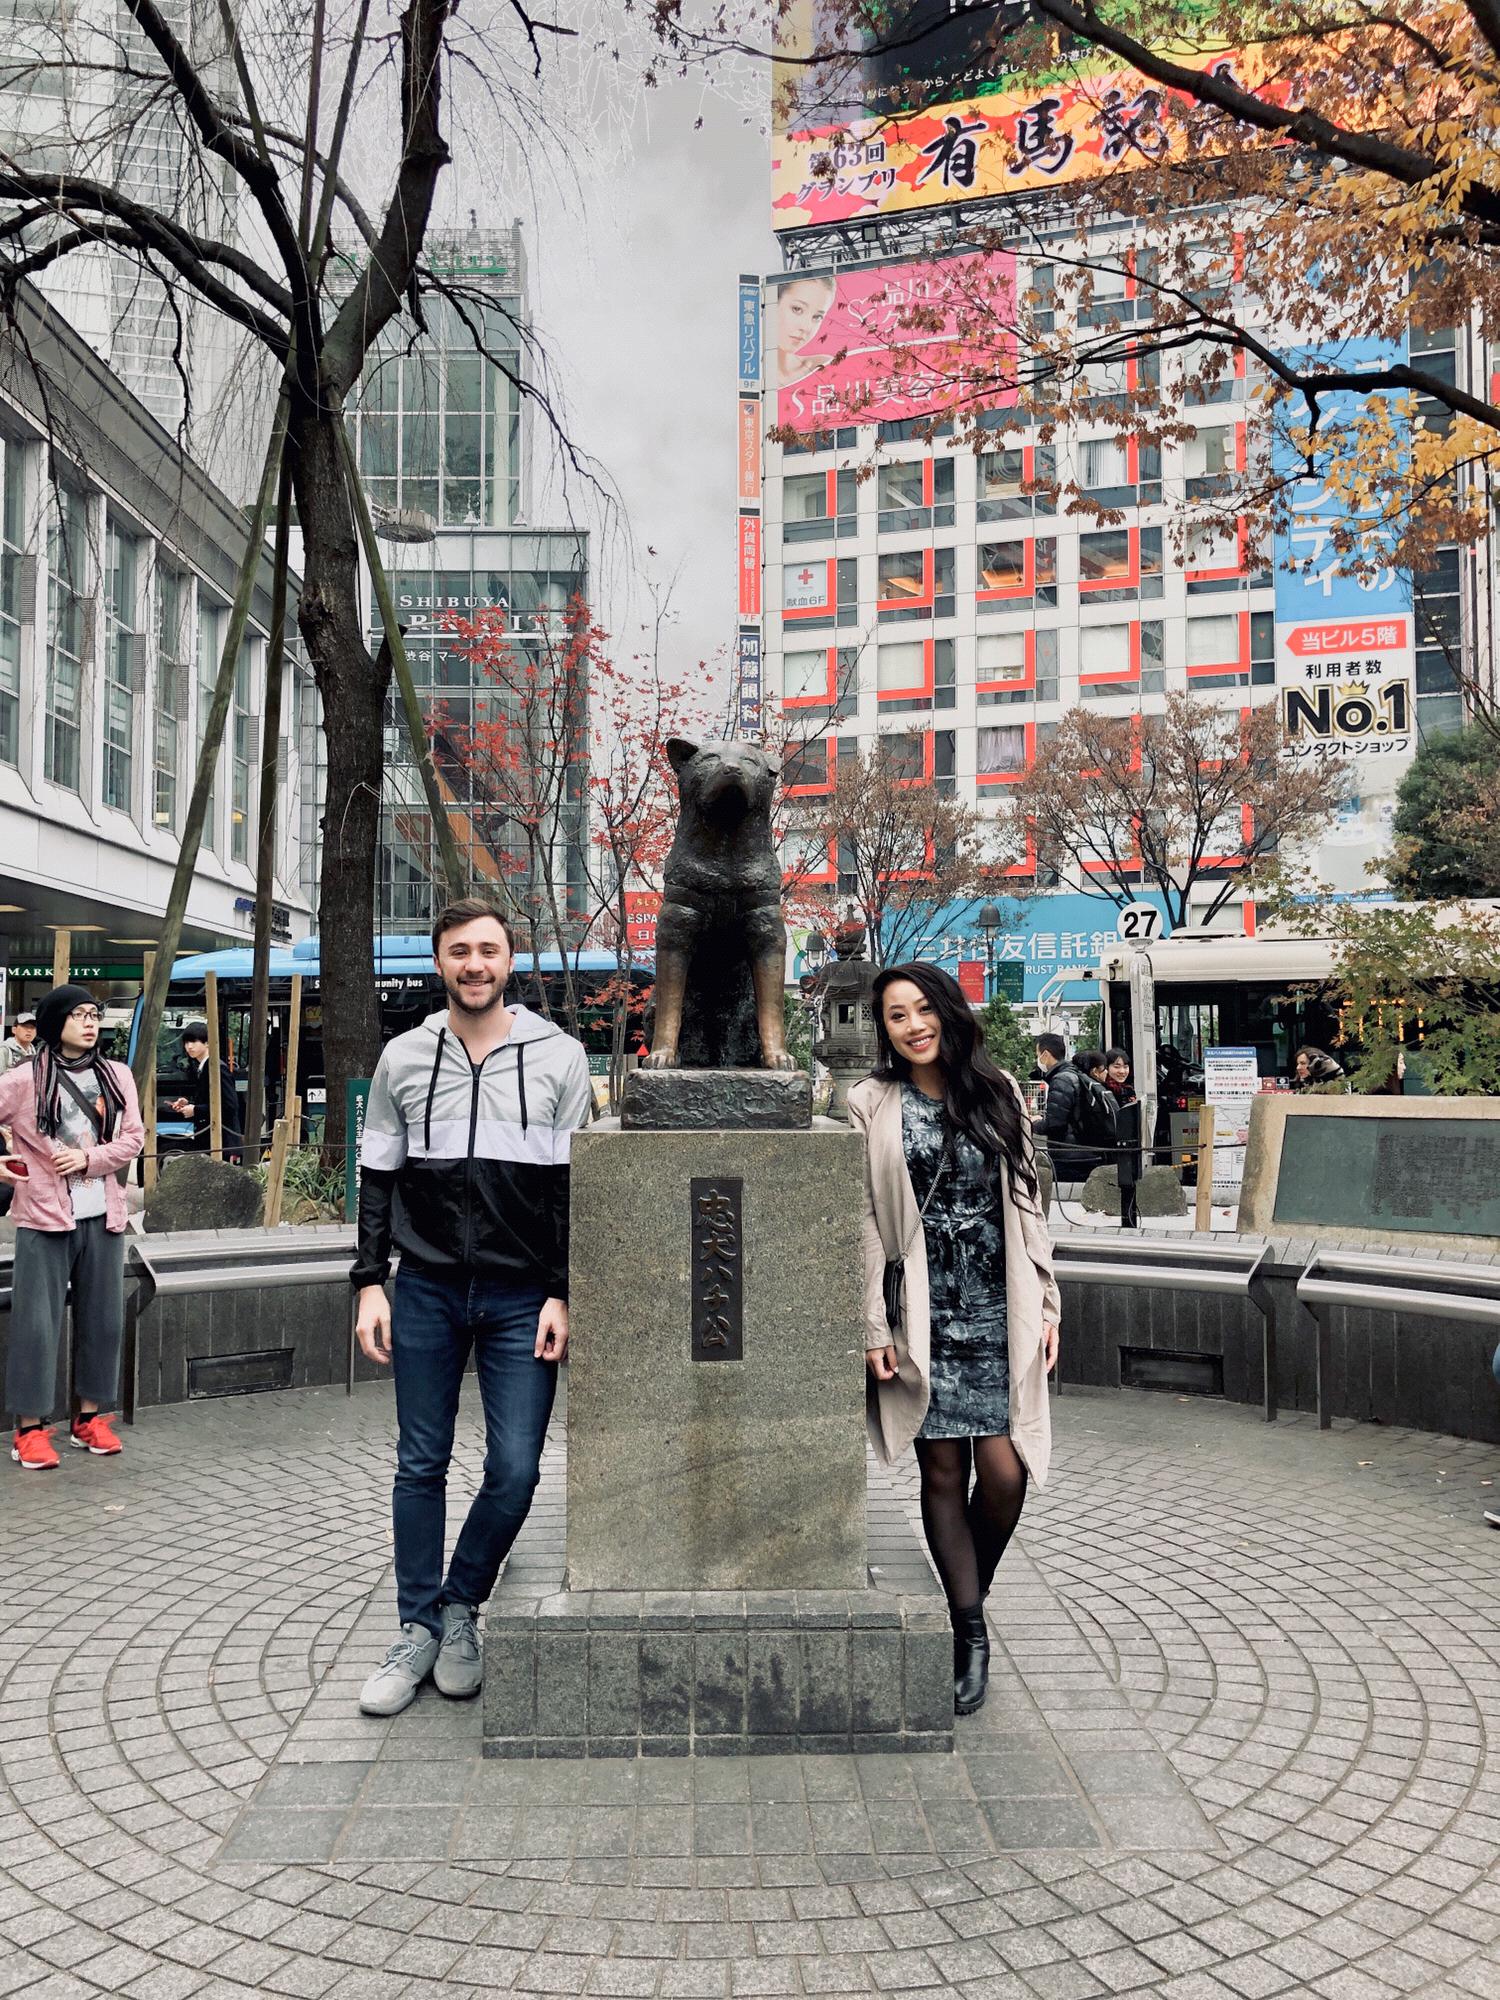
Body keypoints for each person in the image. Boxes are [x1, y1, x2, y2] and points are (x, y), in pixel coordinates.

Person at [351, 898, 593, 1717]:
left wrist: (563, 1289)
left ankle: (461, 1603)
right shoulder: (403, 1057)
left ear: (509, 959)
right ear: (440, 962)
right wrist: (367, 1281)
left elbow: (571, 1191)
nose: (475, 964)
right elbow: (378, 1175)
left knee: (517, 1468)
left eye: (488, 949)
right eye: (460, 951)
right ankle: (417, 1626)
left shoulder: (559, 1057)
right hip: (423, 1288)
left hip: (523, 1294)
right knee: (419, 1463)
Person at [850, 963, 1060, 1718]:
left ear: (946, 1009)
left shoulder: (997, 1088)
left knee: (1004, 1473)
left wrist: (1050, 1303)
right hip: (922, 1314)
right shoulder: (869, 1102)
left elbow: (1030, 1200)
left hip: (998, 1304)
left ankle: (964, 1599)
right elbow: (866, 1222)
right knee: (941, 1471)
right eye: (895, 1016)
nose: (912, 1025)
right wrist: (874, 1325)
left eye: (920, 1009)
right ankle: (969, 1633)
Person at [0, 985, 145, 1469]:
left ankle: (89, 1418)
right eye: (79, 1015)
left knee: (104, 1320)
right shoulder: (23, 1080)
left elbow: (134, 1139)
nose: (90, 1022)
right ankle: (30, 1429)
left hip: (103, 1214)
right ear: (54, 1022)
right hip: (44, 1215)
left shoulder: (117, 1075)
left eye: (95, 1014)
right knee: (36, 1326)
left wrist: (87, 1158)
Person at [1038, 1044, 1117, 1181]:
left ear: (1045, 1055)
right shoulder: (1079, 1079)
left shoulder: (1062, 1079)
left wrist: (1034, 1123)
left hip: (1070, 1158)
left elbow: (1055, 1125)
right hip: (1090, 1154)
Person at [170, 1022, 243, 1161]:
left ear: (207, 1043)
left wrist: (196, 1110)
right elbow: (212, 1100)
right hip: (213, 1140)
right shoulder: (204, 1067)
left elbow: (230, 1105)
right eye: (186, 1042)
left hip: (222, 1142)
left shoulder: (217, 1068)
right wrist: (189, 1104)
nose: (189, 1047)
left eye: (194, 1042)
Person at [774, 273, 836, 390]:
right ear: (773, 303)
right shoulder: (751, 374)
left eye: (817, 317)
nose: (806, 327)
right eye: (797, 309)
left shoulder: (823, 366)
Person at [1103, 1048, 1142, 1229]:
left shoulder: (1128, 1090)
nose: (1122, 1071)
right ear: (1106, 1067)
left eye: (1125, 1066)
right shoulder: (1104, 1091)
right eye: (1116, 1066)